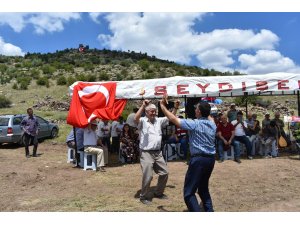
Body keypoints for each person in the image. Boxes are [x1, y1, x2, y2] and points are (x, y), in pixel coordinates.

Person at [160, 97, 216, 212]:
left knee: (189, 193)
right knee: (203, 189)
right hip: (210, 160)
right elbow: (209, 115)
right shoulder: (212, 125)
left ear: (199, 112)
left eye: (196, 109)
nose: (195, 110)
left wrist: (162, 106)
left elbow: (173, 119)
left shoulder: (195, 124)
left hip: (199, 160)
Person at [134, 99, 179, 205]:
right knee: (148, 175)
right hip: (146, 153)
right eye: (151, 111)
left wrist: (176, 108)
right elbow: (136, 118)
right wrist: (143, 106)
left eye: (155, 111)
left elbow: (170, 117)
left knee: (164, 173)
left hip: (158, 153)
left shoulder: (158, 120)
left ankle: (158, 193)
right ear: (146, 112)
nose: (154, 113)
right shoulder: (142, 121)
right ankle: (143, 196)